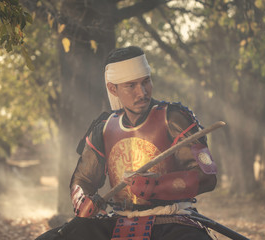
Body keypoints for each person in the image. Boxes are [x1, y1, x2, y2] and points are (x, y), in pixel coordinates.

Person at [36, 46, 218, 240]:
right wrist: (83, 199)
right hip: (119, 220)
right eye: (131, 85)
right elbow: (83, 180)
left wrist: (156, 185)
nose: (142, 92)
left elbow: (207, 176)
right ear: (113, 88)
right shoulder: (104, 128)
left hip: (171, 220)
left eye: (146, 82)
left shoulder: (174, 118)